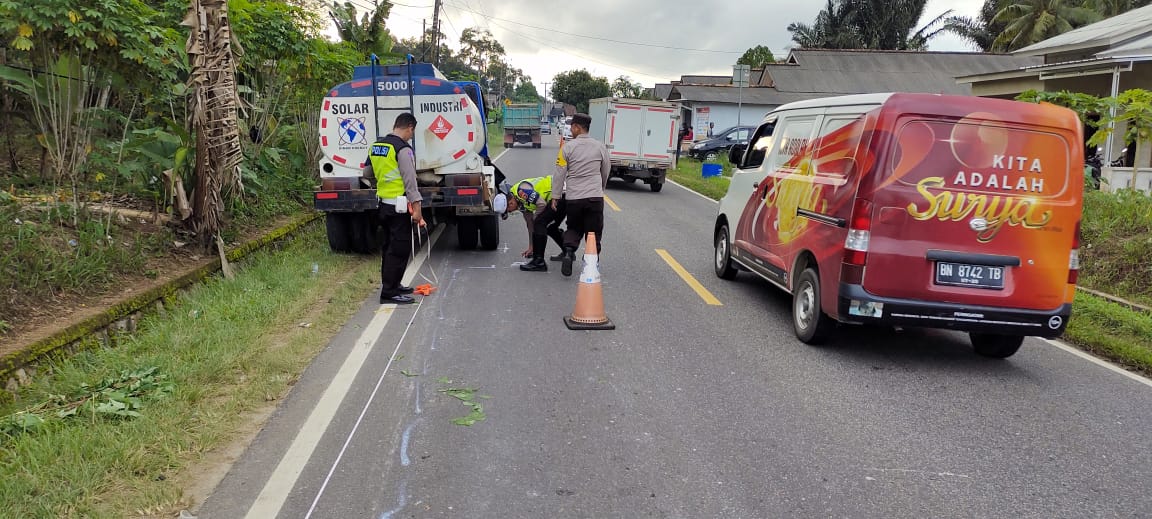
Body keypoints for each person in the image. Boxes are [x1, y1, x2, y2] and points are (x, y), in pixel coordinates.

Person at [362, 113, 423, 305]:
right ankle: (389, 292)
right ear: (409, 128)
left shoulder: (378, 146)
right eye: (412, 133)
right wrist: (417, 209)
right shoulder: (403, 149)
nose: (411, 137)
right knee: (399, 249)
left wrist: (382, 183)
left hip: (383, 205)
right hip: (399, 207)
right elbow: (410, 182)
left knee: (389, 246)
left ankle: (394, 285)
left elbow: (367, 173)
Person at [553, 112, 609, 277]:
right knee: (594, 232)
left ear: (577, 127)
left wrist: (556, 196)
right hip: (594, 198)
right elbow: (606, 170)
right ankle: (591, 262)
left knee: (573, 227)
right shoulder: (600, 147)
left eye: (572, 127)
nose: (571, 130)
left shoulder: (567, 148)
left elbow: (559, 173)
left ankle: (569, 252)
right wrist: (600, 188)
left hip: (574, 198)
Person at [507, 175, 566, 272]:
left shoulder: (521, 192)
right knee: (550, 227)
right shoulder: (520, 202)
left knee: (540, 223)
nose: (510, 212)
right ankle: (568, 252)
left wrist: (536, 218)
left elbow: (541, 204)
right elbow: (530, 225)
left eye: (509, 211)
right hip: (561, 194)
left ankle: (539, 262)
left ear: (511, 203)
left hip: (560, 193)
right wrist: (531, 247)